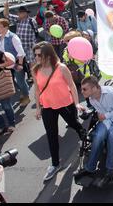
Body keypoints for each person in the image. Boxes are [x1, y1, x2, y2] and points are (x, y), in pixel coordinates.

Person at [32, 42, 86, 181]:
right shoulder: (35, 70)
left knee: (74, 124)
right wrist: (38, 108)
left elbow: (72, 86)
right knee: (51, 135)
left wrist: (77, 103)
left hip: (65, 104)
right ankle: (55, 164)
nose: (36, 57)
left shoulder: (61, 68)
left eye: (39, 55)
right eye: (35, 54)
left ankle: (86, 140)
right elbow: (37, 90)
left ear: (48, 55)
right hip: (47, 107)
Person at [74, 76, 113, 187]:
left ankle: (110, 170)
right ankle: (90, 168)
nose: (81, 91)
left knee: (112, 135)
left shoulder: (111, 93)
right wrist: (91, 112)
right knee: (98, 136)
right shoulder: (92, 98)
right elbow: (99, 112)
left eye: (84, 89)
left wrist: (106, 116)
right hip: (106, 119)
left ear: (94, 88)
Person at [0, 18, 30, 107]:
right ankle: (23, 91)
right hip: (6, 64)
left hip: (16, 63)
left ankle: (26, 97)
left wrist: (20, 64)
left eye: (0, 27)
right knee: (12, 82)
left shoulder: (13, 37)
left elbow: (21, 52)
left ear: (6, 27)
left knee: (20, 81)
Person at [3, 4, 38, 70]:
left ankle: (33, 76)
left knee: (32, 64)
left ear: (25, 13)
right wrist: (6, 7)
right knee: (20, 63)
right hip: (19, 47)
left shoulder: (31, 21)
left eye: (19, 13)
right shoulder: (18, 19)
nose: (18, 14)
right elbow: (6, 15)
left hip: (29, 46)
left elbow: (35, 32)